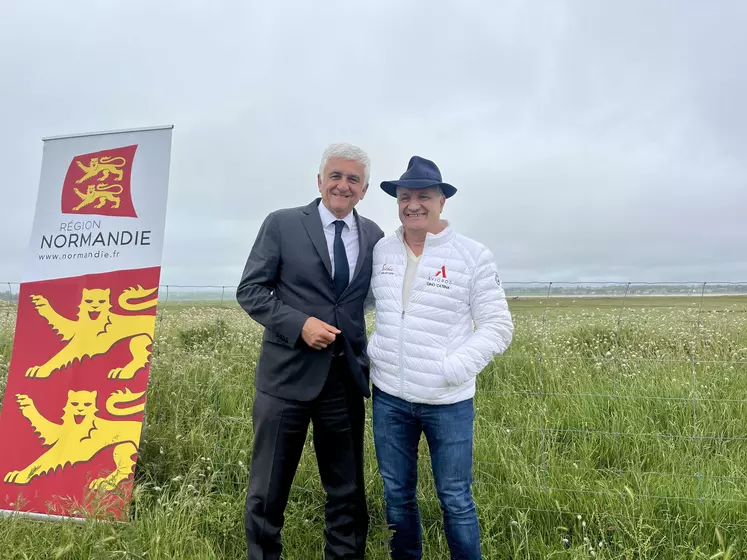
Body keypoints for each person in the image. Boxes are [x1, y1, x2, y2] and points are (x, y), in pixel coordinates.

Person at [236, 142, 384, 560]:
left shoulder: (373, 234)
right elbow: (250, 291)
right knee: (268, 489)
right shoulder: (282, 224)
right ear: (319, 181)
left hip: (344, 381)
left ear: (365, 189)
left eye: (353, 179)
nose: (343, 184)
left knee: (347, 491)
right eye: (335, 175)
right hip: (285, 380)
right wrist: (299, 325)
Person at [366, 156, 514, 559]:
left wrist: (454, 369)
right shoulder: (382, 251)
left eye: (424, 196)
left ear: (442, 201)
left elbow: (499, 326)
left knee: (455, 498)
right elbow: (361, 305)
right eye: (405, 197)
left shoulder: (471, 255)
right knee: (396, 493)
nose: (413, 204)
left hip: (447, 402)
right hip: (389, 397)